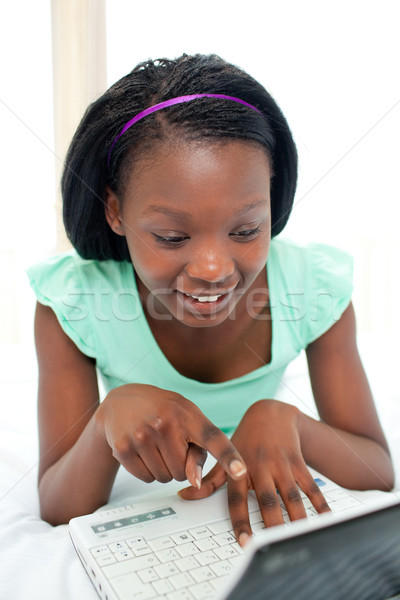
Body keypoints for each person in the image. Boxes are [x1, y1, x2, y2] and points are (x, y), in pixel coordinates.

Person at [28, 53, 394, 546]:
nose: (213, 270)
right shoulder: (71, 304)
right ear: (114, 210)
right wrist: (103, 422)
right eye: (172, 237)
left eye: (246, 229)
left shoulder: (314, 287)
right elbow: (56, 504)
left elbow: (376, 469)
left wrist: (286, 419)